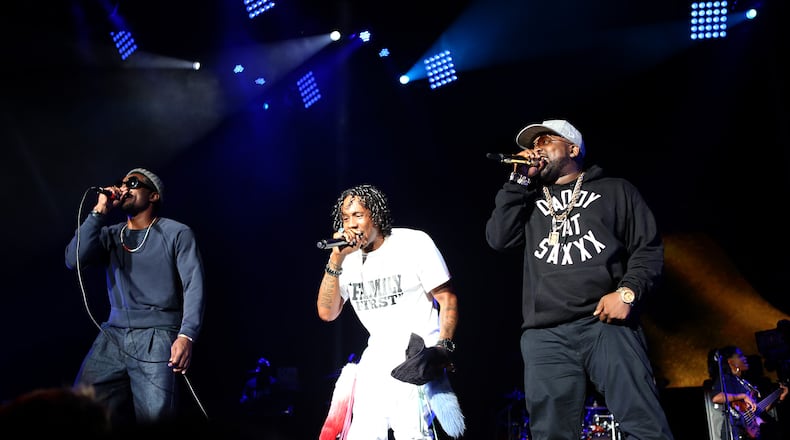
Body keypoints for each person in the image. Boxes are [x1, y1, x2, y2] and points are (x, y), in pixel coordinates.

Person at [484, 119, 674, 440]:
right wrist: (517, 181)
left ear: (573, 148)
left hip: (606, 326)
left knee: (644, 425)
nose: (536, 148)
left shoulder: (616, 190)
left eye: (546, 140)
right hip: (545, 336)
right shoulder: (527, 200)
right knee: (550, 434)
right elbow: (498, 239)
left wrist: (628, 293)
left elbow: (648, 249)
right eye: (533, 144)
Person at [316, 183, 464, 440]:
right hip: (375, 358)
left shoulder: (413, 243)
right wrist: (335, 259)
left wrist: (443, 347)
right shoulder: (346, 259)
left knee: (412, 432)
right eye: (345, 217)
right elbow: (327, 313)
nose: (351, 224)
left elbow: (447, 298)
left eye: (358, 215)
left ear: (376, 215)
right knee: (361, 434)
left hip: (415, 355)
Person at [64, 168, 207, 426]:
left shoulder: (177, 232)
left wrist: (187, 335)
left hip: (157, 335)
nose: (124, 188)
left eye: (133, 183)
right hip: (113, 335)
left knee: (156, 420)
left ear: (153, 196)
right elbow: (73, 259)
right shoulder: (110, 235)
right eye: (122, 183)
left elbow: (194, 285)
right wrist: (99, 211)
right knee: (80, 408)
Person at [709, 345, 788, 440]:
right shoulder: (726, 379)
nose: (745, 358)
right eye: (740, 356)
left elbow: (758, 410)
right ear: (730, 362)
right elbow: (716, 397)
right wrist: (743, 396)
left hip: (754, 433)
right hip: (737, 432)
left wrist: (778, 398)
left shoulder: (744, 382)